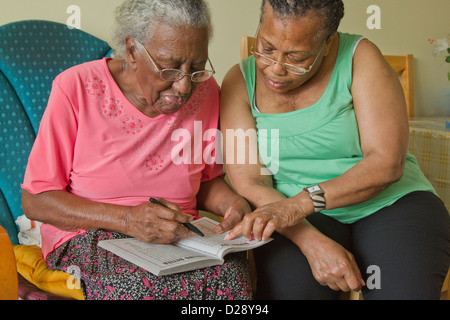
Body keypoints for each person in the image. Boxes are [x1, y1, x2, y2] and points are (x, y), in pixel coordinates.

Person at [21, 0, 253, 300]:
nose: (184, 86)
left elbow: (205, 180)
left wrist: (232, 204)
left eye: (196, 68)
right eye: (169, 69)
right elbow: (36, 199)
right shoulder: (76, 87)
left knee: (231, 278)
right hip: (90, 234)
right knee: (144, 289)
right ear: (132, 52)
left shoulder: (206, 91)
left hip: (179, 236)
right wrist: (127, 220)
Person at [220, 0, 450, 300]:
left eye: (296, 57)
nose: (276, 68)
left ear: (328, 43)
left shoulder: (361, 57)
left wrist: (299, 204)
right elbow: (250, 181)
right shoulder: (238, 81)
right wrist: (310, 241)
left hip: (390, 202)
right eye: (266, 47)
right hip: (295, 218)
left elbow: (386, 163)